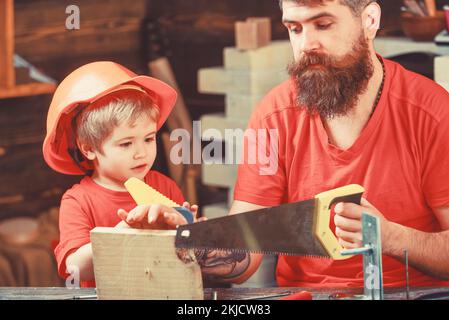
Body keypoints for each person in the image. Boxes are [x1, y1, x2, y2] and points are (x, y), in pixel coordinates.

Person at [199, 0, 449, 288]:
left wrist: (390, 238)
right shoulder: (273, 114)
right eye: (295, 28)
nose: (306, 45)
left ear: (369, 20)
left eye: (323, 25)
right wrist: (197, 249)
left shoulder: (432, 113)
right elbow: (245, 248)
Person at [43, 61, 198, 287]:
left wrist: (189, 228)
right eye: (126, 144)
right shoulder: (77, 201)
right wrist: (123, 235)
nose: (141, 153)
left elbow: (187, 257)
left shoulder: (164, 186)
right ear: (88, 148)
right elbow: (73, 268)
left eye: (149, 138)